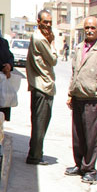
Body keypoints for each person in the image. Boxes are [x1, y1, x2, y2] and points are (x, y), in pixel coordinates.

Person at [65, 17, 97, 183]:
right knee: (78, 135)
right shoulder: (79, 48)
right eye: (87, 27)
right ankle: (79, 165)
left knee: (91, 137)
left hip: (93, 100)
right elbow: (75, 72)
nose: (89, 30)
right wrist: (71, 93)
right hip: (78, 97)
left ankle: (90, 169)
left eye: (93, 28)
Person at [25, 9, 58, 165]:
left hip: (41, 85)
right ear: (38, 22)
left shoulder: (39, 37)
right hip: (42, 86)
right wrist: (52, 43)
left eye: (50, 22)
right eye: (45, 22)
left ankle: (36, 152)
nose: (48, 25)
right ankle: (35, 156)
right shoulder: (41, 39)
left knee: (39, 121)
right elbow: (53, 60)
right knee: (40, 123)